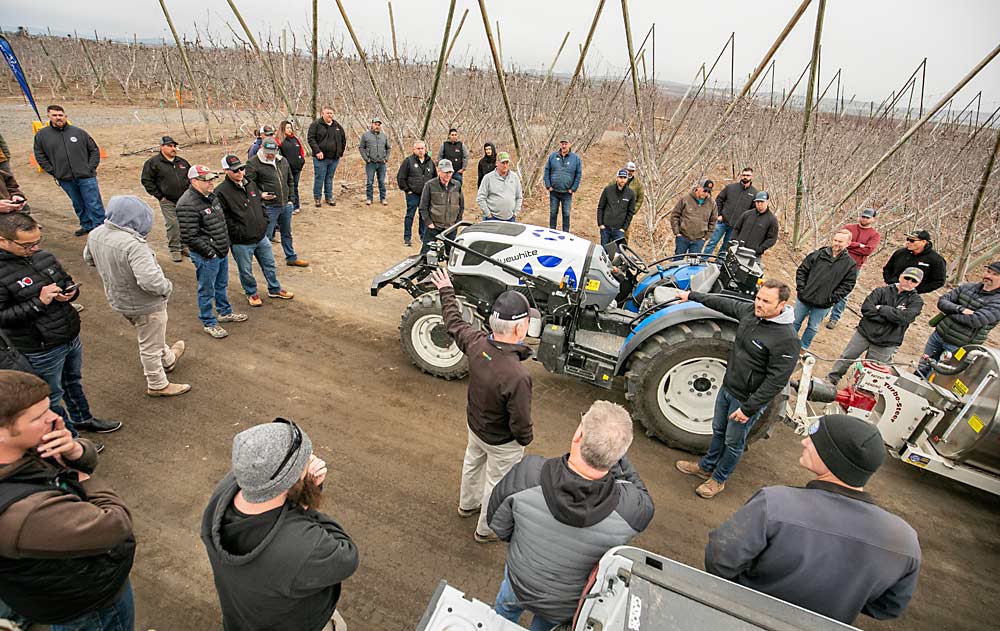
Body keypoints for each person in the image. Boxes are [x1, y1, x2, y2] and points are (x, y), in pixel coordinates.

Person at [705, 414, 921, 625]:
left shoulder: (775, 503)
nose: (804, 442)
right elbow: (887, 608)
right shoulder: (904, 539)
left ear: (834, 456)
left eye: (815, 440)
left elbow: (720, 559)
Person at [487, 400, 654, 629]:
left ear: (578, 435)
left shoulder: (528, 473)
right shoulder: (632, 508)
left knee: (503, 613)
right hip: (565, 603)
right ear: (619, 456)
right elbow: (641, 493)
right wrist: (611, 455)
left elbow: (497, 524)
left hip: (519, 582)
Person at [0, 370, 136, 631]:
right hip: (86, 604)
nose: (55, 418)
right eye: (39, 417)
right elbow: (115, 525)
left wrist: (74, 450)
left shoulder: (21, 447)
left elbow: (78, 459)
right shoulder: (25, 512)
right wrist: (83, 477)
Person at [202, 420, 359, 631]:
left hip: (242, 620)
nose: (311, 460)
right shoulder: (304, 546)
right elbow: (347, 556)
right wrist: (307, 496)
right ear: (288, 482)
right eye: (306, 460)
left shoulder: (225, 493)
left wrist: (298, 485)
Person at [428, 268, 535, 543]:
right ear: (520, 328)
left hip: (475, 427)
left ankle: (466, 505)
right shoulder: (518, 376)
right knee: (497, 484)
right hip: (502, 443)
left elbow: (453, 322)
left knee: (472, 463)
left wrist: (446, 290)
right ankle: (485, 530)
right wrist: (524, 441)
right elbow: (521, 422)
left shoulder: (476, 343)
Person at [674, 280, 799, 498]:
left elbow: (776, 381)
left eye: (766, 301)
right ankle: (706, 467)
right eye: (758, 298)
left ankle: (719, 479)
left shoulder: (787, 340)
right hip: (728, 387)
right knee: (718, 429)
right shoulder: (752, 313)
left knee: (733, 441)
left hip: (746, 400)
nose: (758, 304)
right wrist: (692, 296)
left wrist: (748, 409)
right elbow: (724, 304)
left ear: (782, 305)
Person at [0, 212, 121, 437]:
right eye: (27, 245)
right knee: (50, 396)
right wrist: (39, 302)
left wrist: (69, 292)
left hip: (68, 336)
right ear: (2, 240)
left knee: (73, 381)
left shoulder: (43, 256)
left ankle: (82, 419)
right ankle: (69, 439)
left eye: (37, 241)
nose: (34, 248)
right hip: (40, 348)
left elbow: (65, 280)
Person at [84, 196, 191, 397]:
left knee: (150, 335)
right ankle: (157, 384)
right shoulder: (134, 245)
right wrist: (166, 288)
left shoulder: (96, 233)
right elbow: (150, 282)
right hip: (145, 304)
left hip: (118, 299)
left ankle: (168, 358)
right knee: (149, 344)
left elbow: (89, 259)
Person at [176, 164, 248, 339]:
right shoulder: (187, 204)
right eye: (205, 179)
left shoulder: (211, 196)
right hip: (207, 256)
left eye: (211, 178)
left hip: (220, 251)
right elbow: (189, 236)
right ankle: (208, 321)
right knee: (206, 290)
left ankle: (224, 312)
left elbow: (220, 223)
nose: (211, 182)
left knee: (221, 285)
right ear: (194, 181)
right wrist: (210, 253)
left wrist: (223, 246)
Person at [215, 154, 294, 307]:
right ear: (225, 171)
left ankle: (274, 288)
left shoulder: (250, 184)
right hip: (241, 241)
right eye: (235, 170)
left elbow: (259, 203)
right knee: (246, 270)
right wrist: (238, 233)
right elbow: (223, 218)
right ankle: (251, 293)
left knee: (270, 264)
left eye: (241, 168)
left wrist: (264, 221)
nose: (240, 173)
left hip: (260, 236)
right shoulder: (221, 192)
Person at [827, 268, 923, 385]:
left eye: (914, 281)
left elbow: (906, 318)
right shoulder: (881, 291)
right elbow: (867, 309)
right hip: (864, 334)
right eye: (907, 278)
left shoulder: (916, 301)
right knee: (846, 358)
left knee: (873, 372)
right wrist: (892, 318)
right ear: (900, 277)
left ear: (918, 284)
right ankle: (831, 379)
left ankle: (860, 391)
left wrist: (882, 308)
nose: (909, 282)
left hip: (887, 342)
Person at [916, 262, 1000, 378]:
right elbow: (943, 301)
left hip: (959, 347)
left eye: (995, 274)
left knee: (937, 376)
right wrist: (959, 309)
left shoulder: (998, 301)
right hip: (938, 336)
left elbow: (975, 321)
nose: (988, 276)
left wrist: (949, 313)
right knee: (922, 368)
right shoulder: (968, 287)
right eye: (988, 271)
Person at [32, 104, 106, 236]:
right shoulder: (42, 135)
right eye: (54, 115)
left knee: (94, 203)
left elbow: (94, 150)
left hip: (86, 176)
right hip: (64, 177)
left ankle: (100, 228)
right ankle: (86, 225)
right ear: (48, 116)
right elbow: (40, 155)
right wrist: (53, 171)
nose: (58, 118)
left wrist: (90, 168)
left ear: (65, 116)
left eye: (60, 115)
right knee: (78, 203)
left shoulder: (79, 132)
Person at [247, 139, 310, 269]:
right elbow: (248, 184)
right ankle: (266, 262)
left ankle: (291, 257)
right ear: (262, 149)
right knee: (267, 236)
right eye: (268, 152)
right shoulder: (253, 163)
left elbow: (290, 180)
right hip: (268, 206)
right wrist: (260, 195)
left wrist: (291, 199)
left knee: (286, 233)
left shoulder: (282, 161)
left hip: (285, 204)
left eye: (273, 152)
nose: (270, 155)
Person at [793, 230, 858, 351]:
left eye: (840, 241)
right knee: (795, 322)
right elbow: (802, 270)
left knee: (813, 327)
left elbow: (848, 285)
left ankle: (802, 349)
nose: (837, 243)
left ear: (848, 243)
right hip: (804, 297)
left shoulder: (850, 264)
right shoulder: (818, 254)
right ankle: (787, 344)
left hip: (823, 304)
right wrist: (801, 288)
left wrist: (831, 299)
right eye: (835, 240)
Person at [825, 207, 882, 329]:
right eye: (863, 216)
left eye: (867, 217)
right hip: (837, 261)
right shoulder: (849, 228)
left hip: (854, 266)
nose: (864, 219)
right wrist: (858, 245)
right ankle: (821, 311)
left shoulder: (874, 235)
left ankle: (834, 318)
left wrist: (850, 245)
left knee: (844, 293)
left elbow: (868, 250)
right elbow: (839, 242)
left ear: (873, 219)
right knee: (827, 285)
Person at [140, 135, 192, 262]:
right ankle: (175, 249)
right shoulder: (153, 163)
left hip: (185, 200)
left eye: (174, 146)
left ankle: (184, 246)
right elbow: (146, 180)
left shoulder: (182, 162)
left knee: (185, 223)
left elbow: (191, 178)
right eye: (169, 146)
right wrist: (159, 196)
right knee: (173, 224)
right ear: (161, 147)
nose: (173, 148)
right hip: (167, 200)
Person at [703, 167, 757, 255]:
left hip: (736, 227)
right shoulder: (731, 187)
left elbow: (752, 212)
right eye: (743, 175)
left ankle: (719, 264)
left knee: (726, 247)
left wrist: (744, 224)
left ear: (752, 176)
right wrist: (719, 214)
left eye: (748, 175)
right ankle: (702, 260)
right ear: (741, 175)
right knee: (712, 243)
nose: (745, 177)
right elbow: (719, 200)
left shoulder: (754, 193)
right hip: (722, 222)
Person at [418, 159, 464, 255]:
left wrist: (457, 222)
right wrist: (429, 223)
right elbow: (423, 206)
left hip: (451, 227)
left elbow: (461, 205)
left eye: (450, 172)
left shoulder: (457, 185)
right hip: (434, 227)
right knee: (425, 254)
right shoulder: (430, 185)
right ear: (439, 171)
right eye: (446, 172)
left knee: (452, 255)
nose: (448, 174)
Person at [395, 141, 436, 247]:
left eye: (422, 148)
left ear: (425, 149)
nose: (420, 150)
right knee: (410, 215)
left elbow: (435, 178)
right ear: (414, 150)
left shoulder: (430, 162)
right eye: (418, 148)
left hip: (425, 195)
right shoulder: (408, 161)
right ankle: (407, 238)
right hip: (412, 194)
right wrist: (407, 190)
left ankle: (423, 236)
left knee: (424, 216)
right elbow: (401, 177)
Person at [882, 230, 947, 295]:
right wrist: (888, 281)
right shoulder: (900, 253)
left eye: (912, 241)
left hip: (911, 295)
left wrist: (916, 289)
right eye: (908, 239)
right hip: (891, 289)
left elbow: (939, 281)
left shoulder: (936, 260)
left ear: (924, 242)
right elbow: (887, 268)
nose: (908, 242)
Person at [307, 107, 347, 208]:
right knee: (319, 178)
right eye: (328, 113)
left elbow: (343, 139)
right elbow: (311, 139)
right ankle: (317, 198)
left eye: (332, 113)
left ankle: (329, 197)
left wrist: (340, 152)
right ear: (322, 114)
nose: (330, 115)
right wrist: (317, 151)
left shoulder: (337, 126)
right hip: (321, 158)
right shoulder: (316, 125)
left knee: (329, 178)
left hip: (334, 158)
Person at [543, 138, 582, 231]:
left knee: (566, 214)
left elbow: (578, 174)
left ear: (570, 145)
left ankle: (566, 233)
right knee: (553, 213)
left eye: (566, 144)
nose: (564, 146)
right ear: (560, 145)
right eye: (562, 144)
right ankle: (552, 231)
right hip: (554, 192)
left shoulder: (575, 158)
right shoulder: (552, 156)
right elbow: (546, 171)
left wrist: (573, 188)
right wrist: (548, 185)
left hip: (567, 193)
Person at [669, 181, 717, 255]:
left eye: (708, 191)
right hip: (683, 237)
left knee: (694, 263)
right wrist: (677, 233)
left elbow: (713, 221)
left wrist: (705, 237)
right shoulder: (685, 198)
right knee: (677, 261)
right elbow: (675, 215)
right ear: (698, 188)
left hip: (699, 240)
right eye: (704, 190)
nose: (706, 193)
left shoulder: (712, 203)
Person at [730, 191, 778, 258]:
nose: (759, 204)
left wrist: (759, 249)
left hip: (753, 255)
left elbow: (772, 239)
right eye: (757, 202)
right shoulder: (747, 214)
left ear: (767, 202)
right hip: (738, 250)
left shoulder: (772, 220)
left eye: (762, 202)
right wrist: (734, 241)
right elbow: (736, 228)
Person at [476, 152, 523, 222]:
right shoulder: (488, 178)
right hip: (492, 219)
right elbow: (480, 198)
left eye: (507, 163)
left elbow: (519, 197)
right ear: (496, 163)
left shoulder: (514, 177)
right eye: (502, 163)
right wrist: (488, 214)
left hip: (510, 218)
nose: (505, 165)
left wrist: (515, 213)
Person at [597, 169, 637, 247]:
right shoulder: (608, 190)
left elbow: (630, 212)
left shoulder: (631, 194)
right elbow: (601, 207)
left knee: (617, 254)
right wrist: (600, 224)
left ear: (627, 179)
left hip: (619, 230)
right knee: (603, 252)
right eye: (620, 177)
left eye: (624, 178)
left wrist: (624, 228)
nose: (622, 180)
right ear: (617, 178)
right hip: (606, 228)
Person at [359, 117, 391, 206]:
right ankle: (369, 198)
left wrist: (386, 158)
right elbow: (361, 147)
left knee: (381, 181)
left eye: (378, 125)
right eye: (375, 124)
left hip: (381, 163)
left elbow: (388, 148)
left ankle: (383, 198)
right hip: (371, 163)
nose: (377, 126)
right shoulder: (366, 135)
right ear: (372, 124)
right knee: (369, 182)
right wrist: (366, 158)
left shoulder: (384, 136)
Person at [277, 121, 306, 214]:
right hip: (286, 168)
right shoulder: (279, 140)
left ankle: (296, 205)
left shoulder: (295, 139)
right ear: (283, 129)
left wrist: (302, 160)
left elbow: (301, 151)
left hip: (297, 167)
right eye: (287, 128)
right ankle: (287, 206)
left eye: (290, 128)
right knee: (287, 186)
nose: (290, 130)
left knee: (295, 186)